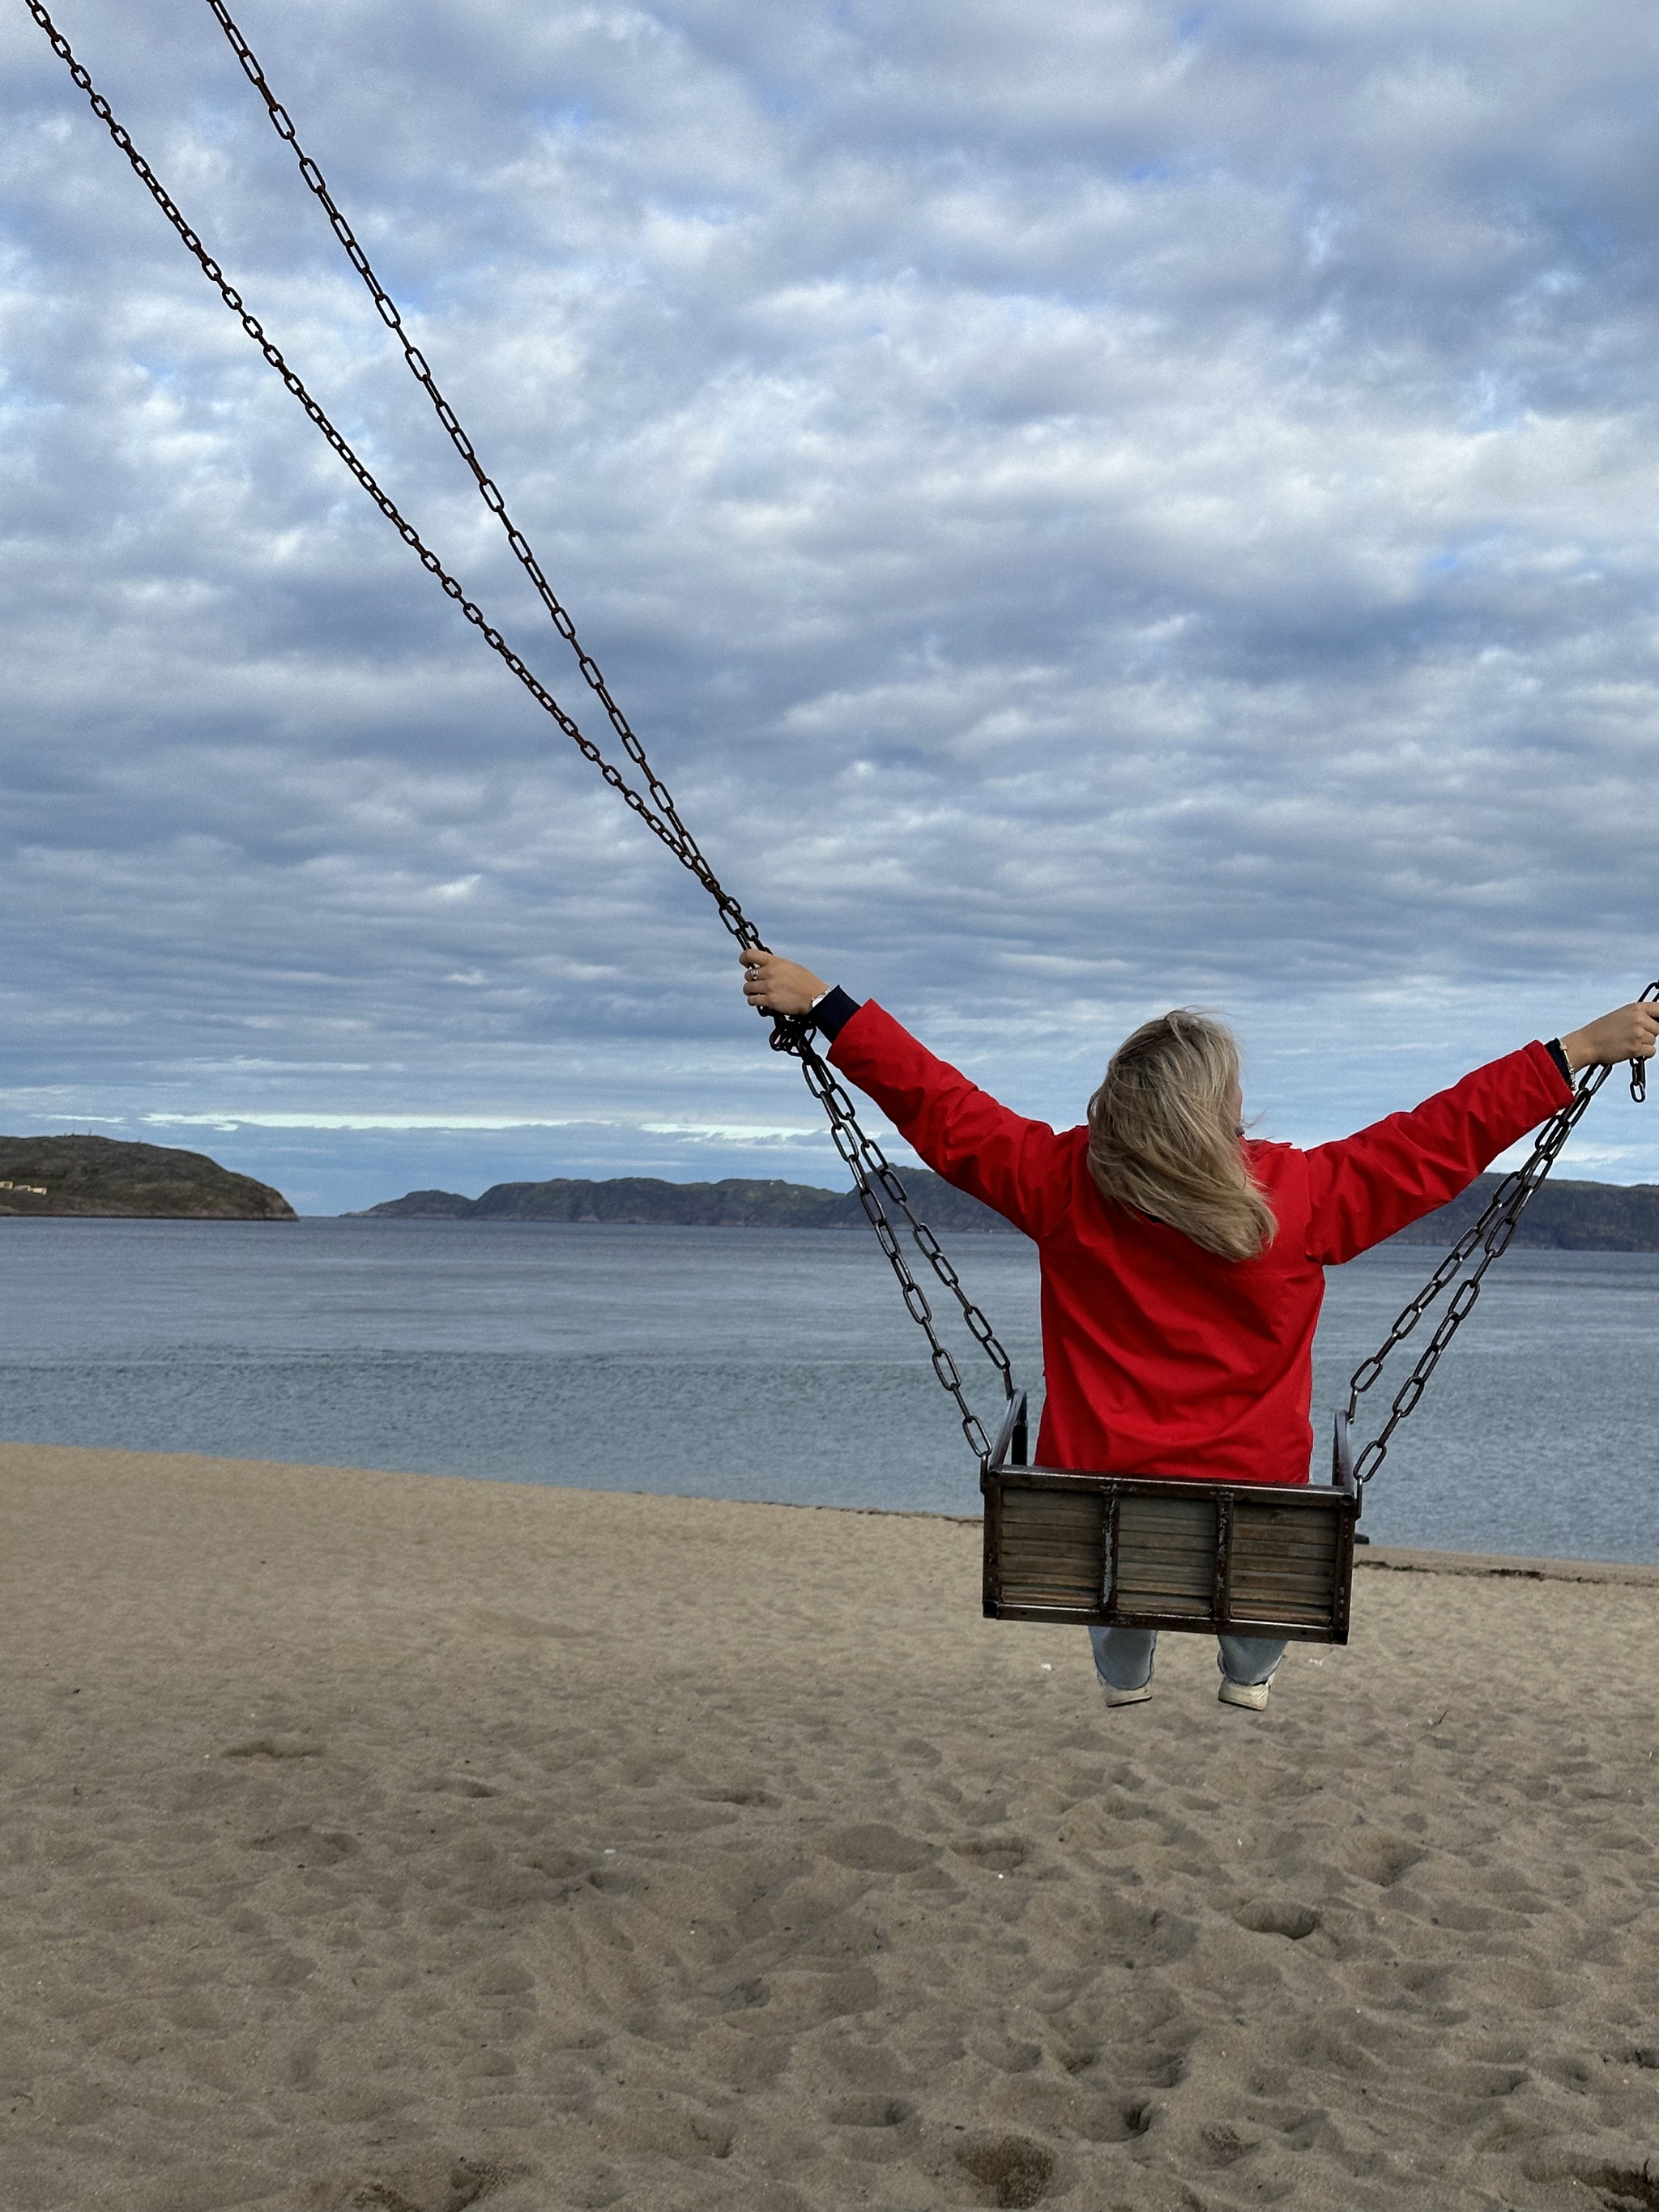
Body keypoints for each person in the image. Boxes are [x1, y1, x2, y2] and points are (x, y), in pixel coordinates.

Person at [739, 950, 1659, 1712]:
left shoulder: (1060, 1184)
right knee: (1260, 1564)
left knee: (1115, 1550)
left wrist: (823, 1003)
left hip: (1097, 1493)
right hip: (1255, 1500)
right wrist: (1572, 1048)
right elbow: (1436, 1138)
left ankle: (1122, 1662)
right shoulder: (1298, 1199)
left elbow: (937, 1105)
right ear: (1217, 1110)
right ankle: (1248, 1667)